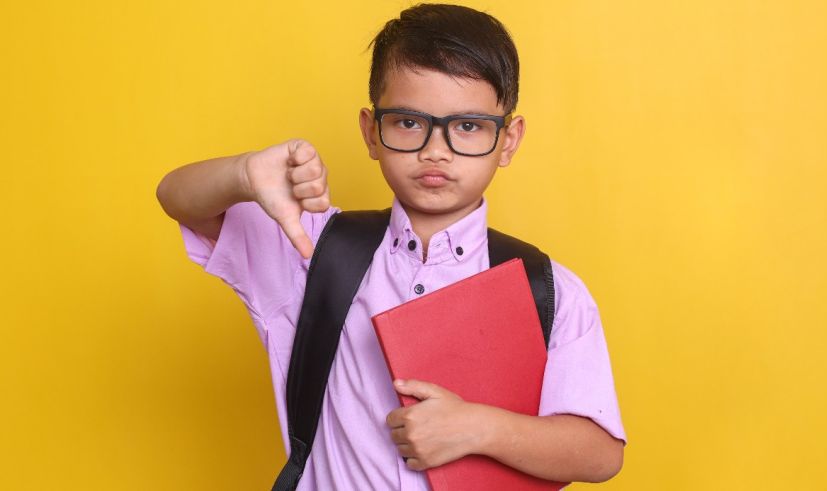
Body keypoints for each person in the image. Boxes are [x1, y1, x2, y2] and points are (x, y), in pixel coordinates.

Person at [156, 3, 625, 489]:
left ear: (508, 139)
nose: (435, 150)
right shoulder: (310, 246)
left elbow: (599, 453)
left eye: (468, 126)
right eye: (407, 122)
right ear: (370, 130)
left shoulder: (547, 290)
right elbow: (178, 199)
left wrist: (479, 428)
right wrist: (243, 174)